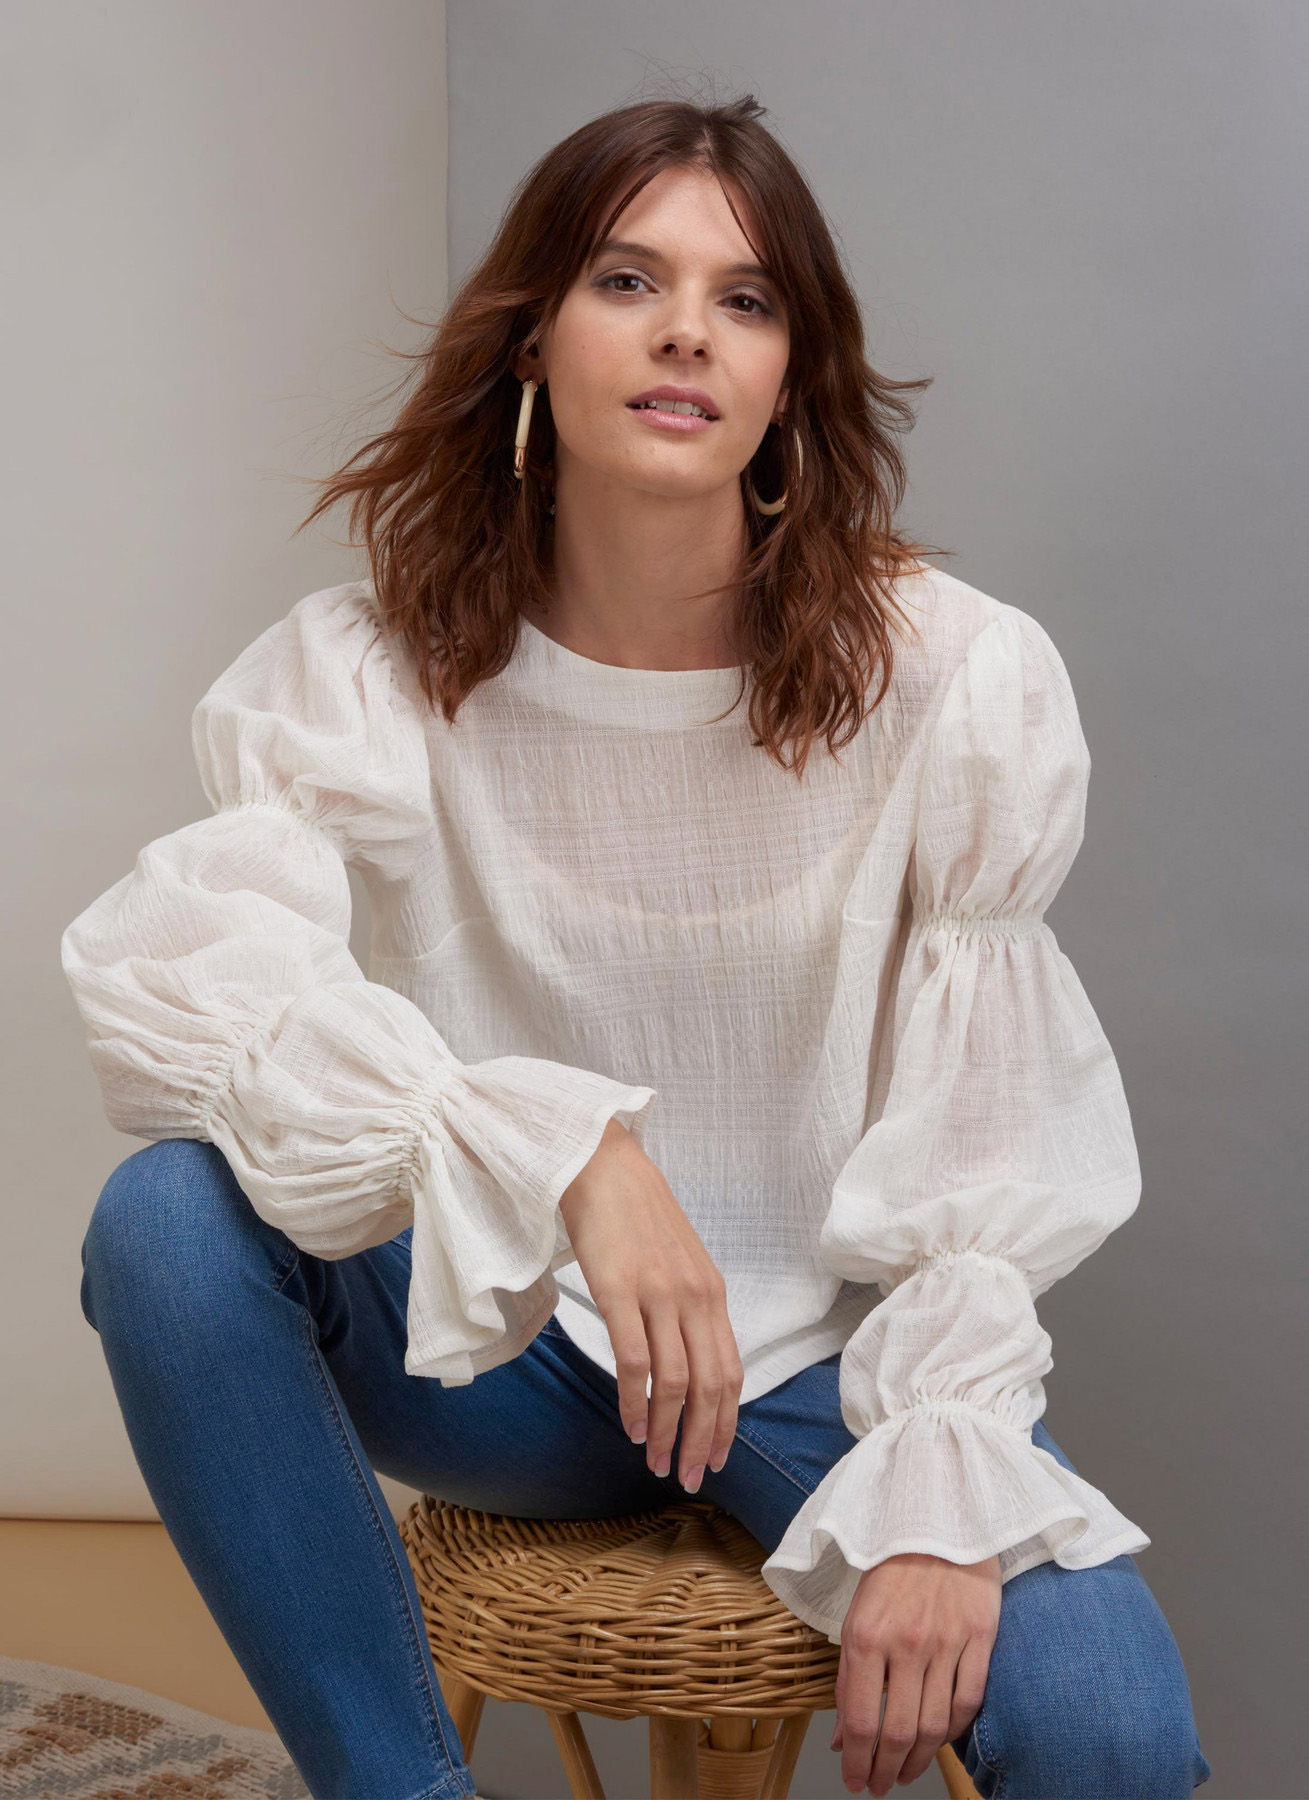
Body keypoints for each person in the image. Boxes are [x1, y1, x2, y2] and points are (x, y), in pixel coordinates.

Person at [61, 94, 1211, 1800]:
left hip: (832, 1372)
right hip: (511, 1363)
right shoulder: (372, 670)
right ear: (532, 334)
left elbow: (986, 1138)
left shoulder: (947, 676)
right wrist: (574, 1157)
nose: (686, 332)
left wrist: (939, 1481)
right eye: (625, 279)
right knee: (165, 1217)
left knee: (1106, 1734)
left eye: (745, 300)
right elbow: (184, 982)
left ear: (788, 374)